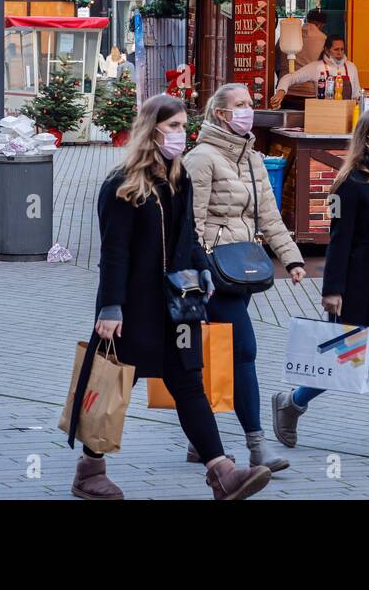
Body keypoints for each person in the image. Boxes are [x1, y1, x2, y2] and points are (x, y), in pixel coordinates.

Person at [72, 95, 273, 501]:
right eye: (176, 126)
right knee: (114, 384)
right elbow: (114, 252)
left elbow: (190, 236)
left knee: (188, 382)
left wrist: (202, 268)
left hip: (176, 303)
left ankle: (221, 471)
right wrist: (110, 307)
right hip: (133, 306)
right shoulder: (122, 185)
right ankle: (89, 471)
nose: (183, 134)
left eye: (185, 126)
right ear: (153, 129)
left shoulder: (178, 178)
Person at [272, 111, 369, 457]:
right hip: (357, 277)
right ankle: (292, 403)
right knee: (345, 359)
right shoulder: (347, 184)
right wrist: (332, 289)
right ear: (366, 137)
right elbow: (338, 239)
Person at [185, 84, 307, 473]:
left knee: (212, 357)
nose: (248, 112)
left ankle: (197, 441)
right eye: (240, 106)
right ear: (221, 114)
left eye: (250, 105)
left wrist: (292, 259)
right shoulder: (201, 159)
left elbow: (268, 216)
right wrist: (199, 272)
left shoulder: (253, 158)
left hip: (243, 269)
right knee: (243, 352)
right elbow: (192, 222)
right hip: (215, 273)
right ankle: (257, 446)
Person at [270, 34, 362, 107]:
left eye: (342, 49)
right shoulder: (317, 67)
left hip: (347, 115)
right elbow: (290, 77)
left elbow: (356, 94)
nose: (340, 53)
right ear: (326, 50)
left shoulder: (351, 67)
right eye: (336, 49)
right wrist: (281, 92)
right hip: (323, 114)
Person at [275, 9, 329, 108]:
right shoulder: (324, 40)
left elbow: (276, 63)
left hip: (286, 92)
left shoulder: (285, 36)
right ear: (321, 25)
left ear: (306, 19)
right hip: (310, 93)